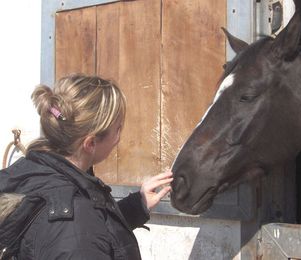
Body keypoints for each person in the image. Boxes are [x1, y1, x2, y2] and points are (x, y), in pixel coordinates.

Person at [0, 74, 173, 259]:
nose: (119, 138)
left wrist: (136, 206)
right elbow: (75, 235)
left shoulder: (28, 171)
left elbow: (86, 231)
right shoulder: (73, 221)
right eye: (117, 130)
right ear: (90, 143)